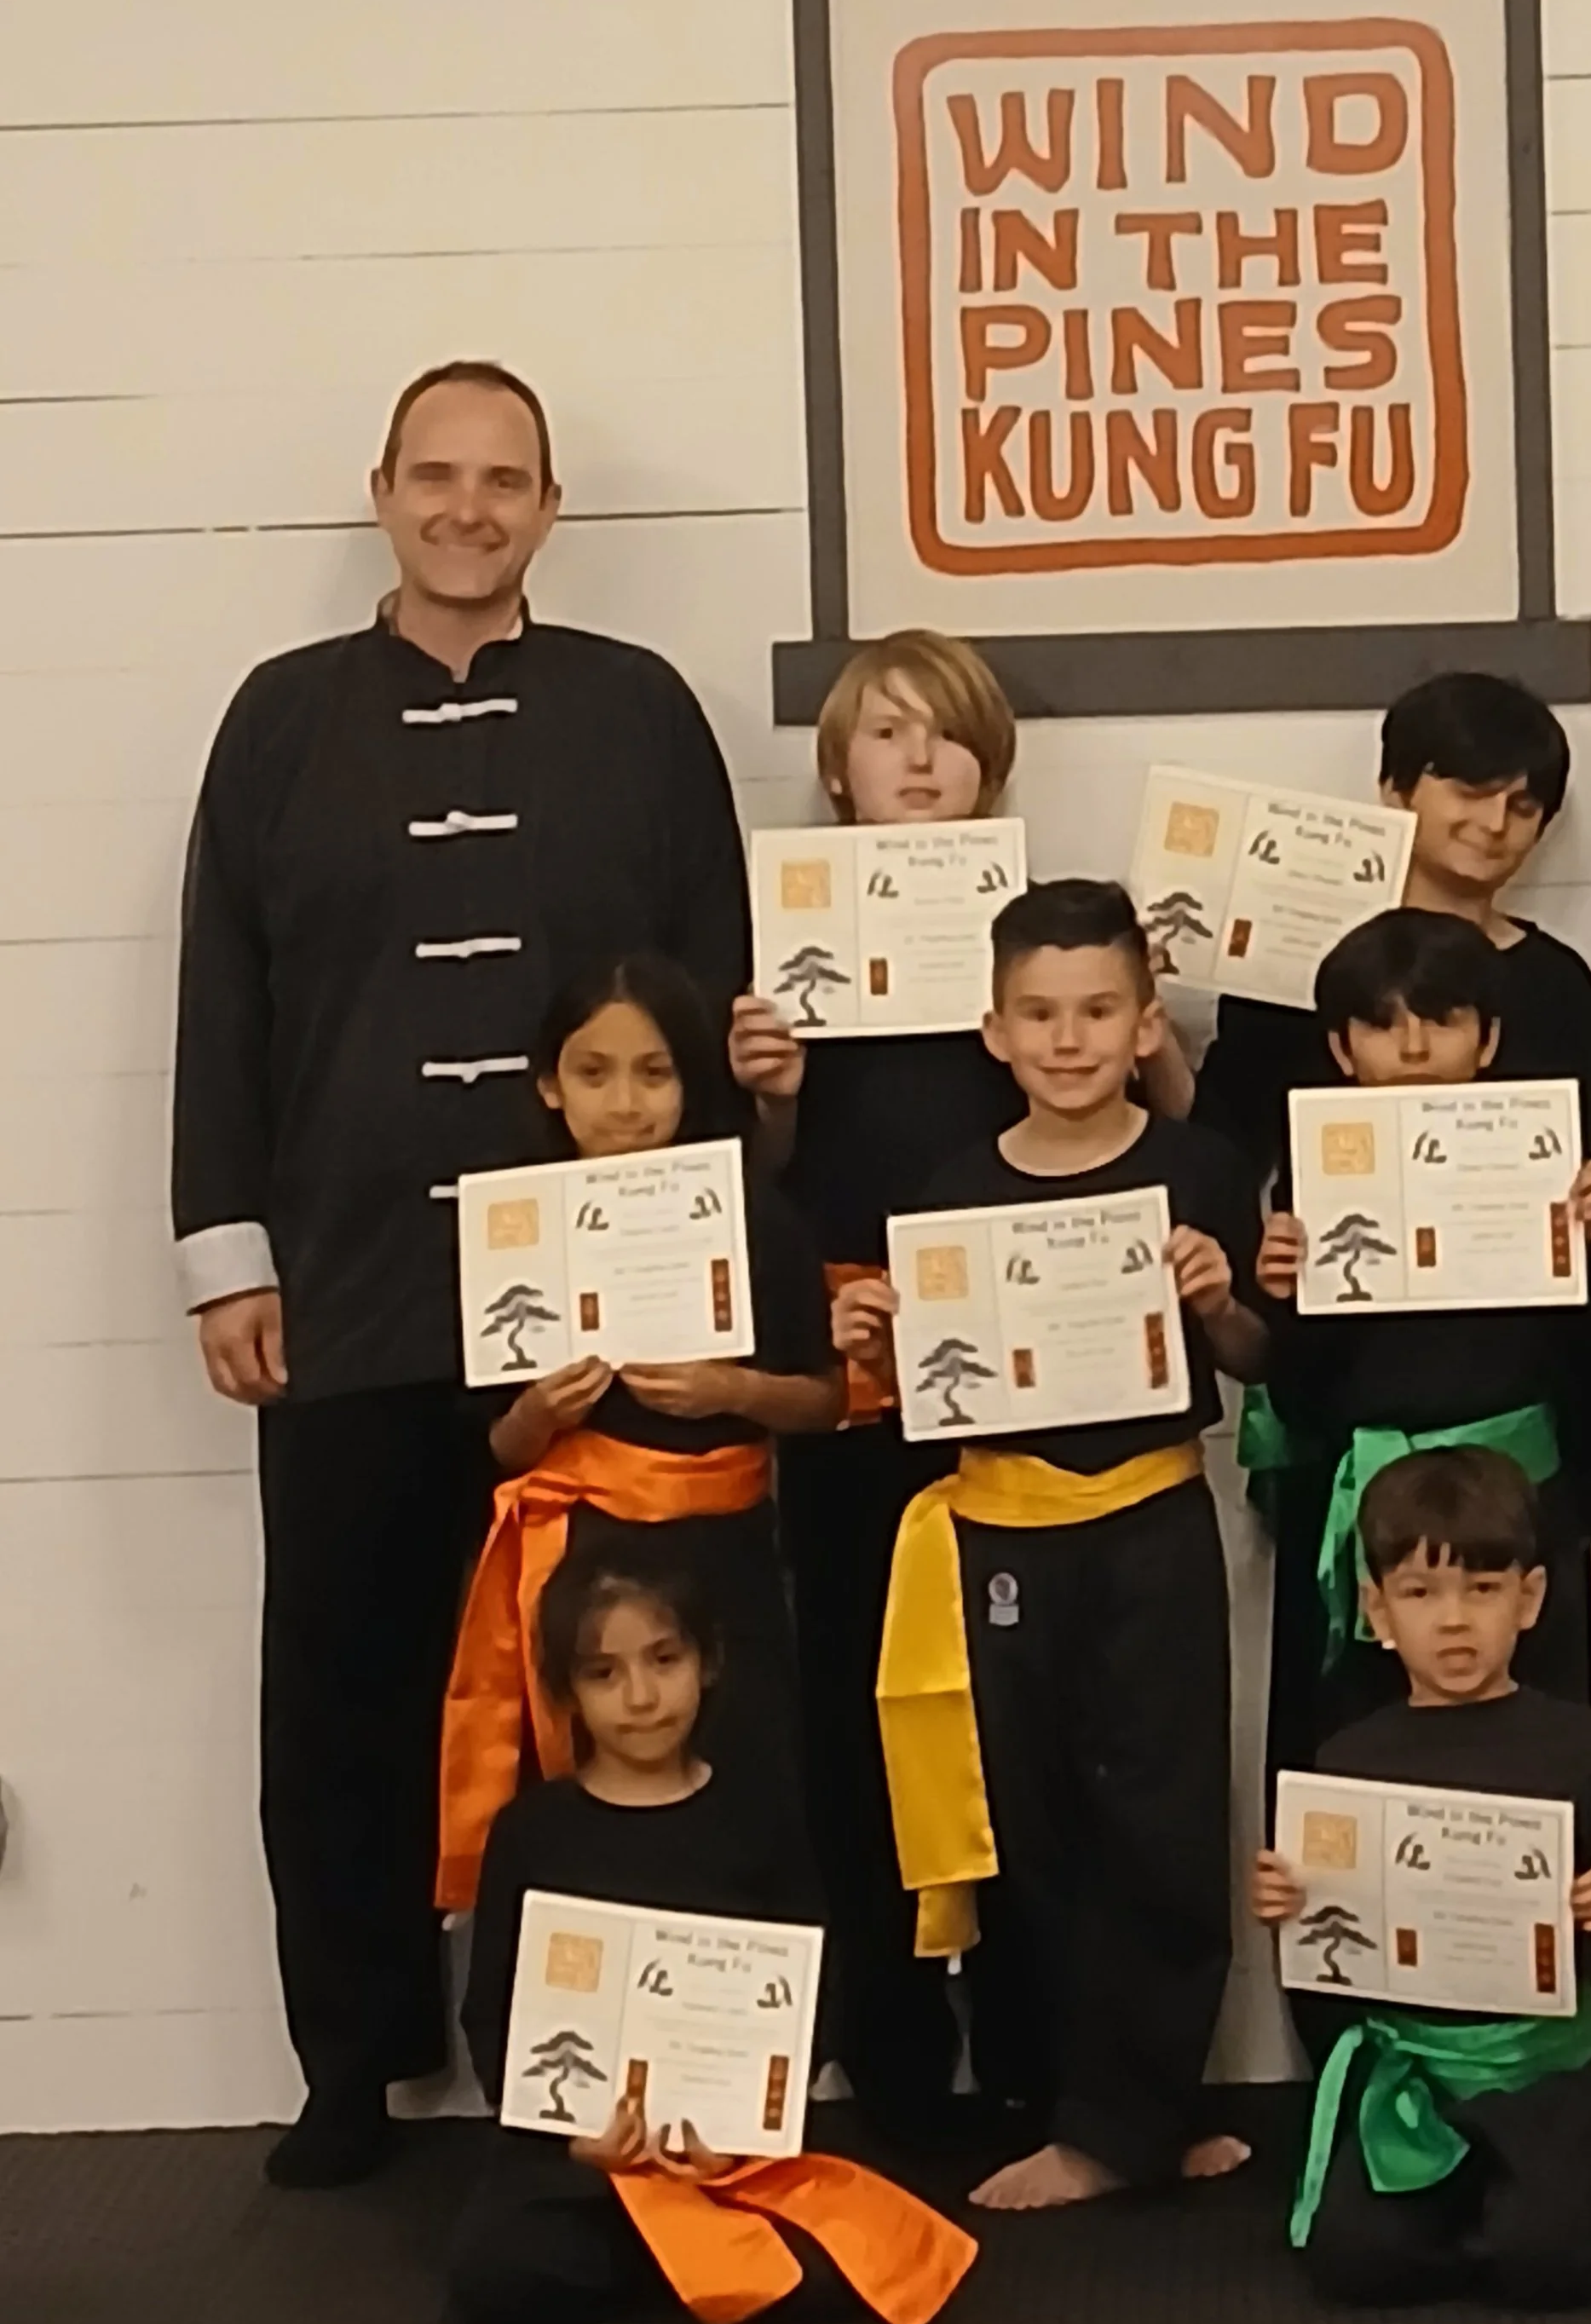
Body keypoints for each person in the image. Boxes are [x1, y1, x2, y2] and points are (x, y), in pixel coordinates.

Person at [171, 360, 753, 2185]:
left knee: (612, 1682)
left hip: (605, 1298)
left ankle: (608, 2062)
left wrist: (729, 1249)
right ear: (383, 492)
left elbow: (712, 984)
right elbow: (222, 994)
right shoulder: (277, 719)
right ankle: (350, 2058)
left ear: (549, 508)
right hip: (346, 1282)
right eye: (437, 474)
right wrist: (225, 1254)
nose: (469, 506)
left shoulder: (641, 709)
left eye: (505, 479)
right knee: (339, 1685)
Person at [833, 879, 1267, 2212]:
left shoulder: (1197, 1171)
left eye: (1097, 1011)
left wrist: (1221, 1299)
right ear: (993, 1031)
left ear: (1146, 1023)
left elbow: (1263, 1358)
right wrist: (874, 1347)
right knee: (1032, 1820)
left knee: (1166, 1816)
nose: (1068, 1038)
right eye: (1039, 1013)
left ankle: (1146, 2110)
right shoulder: (954, 1193)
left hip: (1149, 1517)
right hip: (1001, 1526)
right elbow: (924, 1392)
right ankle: (1067, 2106)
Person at [1192, 676, 1591, 1711]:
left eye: (1523, 803)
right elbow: (1218, 1147)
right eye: (1469, 788)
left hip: (1513, 1424)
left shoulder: (1558, 986)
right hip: (1346, 1406)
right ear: (1396, 788)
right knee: (1344, 1740)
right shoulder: (1303, 968)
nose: (1493, 823)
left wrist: (1590, 1467)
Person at [727, 631, 1027, 2146]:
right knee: (855, 1703)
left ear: (991, 764)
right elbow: (754, 1194)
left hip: (1018, 1384)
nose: (917, 759)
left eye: (947, 735)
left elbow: (1131, 1123)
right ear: (837, 768)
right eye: (886, 734)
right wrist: (771, 1099)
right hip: (848, 1383)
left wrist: (1141, 1033)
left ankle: (1036, 2043)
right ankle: (887, 2052)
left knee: (1020, 1711)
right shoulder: (783, 959)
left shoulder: (1035, 942)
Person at [449, 1548, 977, 2324]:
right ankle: (700, 2269)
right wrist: (571, 2137)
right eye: (603, 1673)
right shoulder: (533, 1832)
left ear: (710, 1661)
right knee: (494, 2274)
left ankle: (689, 2260)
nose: (641, 1696)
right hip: (586, 2168)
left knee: (880, 2255)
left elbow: (815, 1993)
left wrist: (742, 2131)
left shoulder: (759, 1812)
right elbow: (494, 2014)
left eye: (665, 1659)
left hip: (731, 2160)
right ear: (565, 1691)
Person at [438, 956, 841, 1917]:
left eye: (654, 1074)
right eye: (594, 1073)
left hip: (724, 1555)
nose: (624, 1103)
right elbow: (487, 1446)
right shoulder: (511, 1230)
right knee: (590, 1812)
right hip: (582, 1549)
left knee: (743, 1793)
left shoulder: (750, 1211)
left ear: (691, 1080)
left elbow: (826, 1403)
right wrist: (539, 1414)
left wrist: (732, 1388)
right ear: (549, 1083)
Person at [1251, 1448, 1591, 2310]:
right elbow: (1329, 1953)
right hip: (1412, 2073)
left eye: (1481, 1590)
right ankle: (1484, 2208)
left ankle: (1564, 2197)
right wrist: (1289, 1906)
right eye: (1420, 1593)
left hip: (1544, 2069)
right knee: (1354, 2265)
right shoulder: (1349, 1760)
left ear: (1529, 1599)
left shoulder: (1581, 1745)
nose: (1452, 1622)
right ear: (1376, 1610)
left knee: (1553, 2267)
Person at [1254, 911, 1591, 1764]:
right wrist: (1284, 1296)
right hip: (1370, 1505)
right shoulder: (1317, 1176)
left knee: (1535, 1757)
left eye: (1441, 1020)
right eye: (1382, 1026)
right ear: (1343, 1053)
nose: (1413, 1048)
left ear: (1487, 1040)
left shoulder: (1546, 1168)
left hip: (1517, 1493)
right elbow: (1300, 1399)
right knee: (1358, 1758)